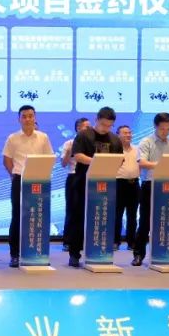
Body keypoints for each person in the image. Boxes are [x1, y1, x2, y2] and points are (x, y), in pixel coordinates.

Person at [68, 107, 122, 268]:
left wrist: (110, 163)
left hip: (105, 185)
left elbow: (119, 159)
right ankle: (74, 254)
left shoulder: (115, 139)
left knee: (103, 218)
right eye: (103, 124)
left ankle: (100, 252)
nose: (106, 128)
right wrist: (97, 162)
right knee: (78, 219)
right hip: (83, 183)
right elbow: (78, 155)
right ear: (96, 119)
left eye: (109, 126)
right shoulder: (84, 135)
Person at [2, 105, 54, 268]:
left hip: (39, 181)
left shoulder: (43, 137)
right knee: (17, 216)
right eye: (24, 116)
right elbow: (7, 160)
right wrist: (14, 175)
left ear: (35, 117)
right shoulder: (13, 138)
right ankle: (14, 255)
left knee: (38, 216)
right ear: (19, 119)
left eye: (31, 116)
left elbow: (49, 158)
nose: (28, 119)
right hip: (19, 179)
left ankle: (37, 253)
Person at [132, 112, 169, 267]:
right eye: (162, 129)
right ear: (155, 126)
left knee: (166, 220)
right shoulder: (146, 142)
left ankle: (163, 253)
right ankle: (138, 254)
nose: (165, 132)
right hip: (150, 185)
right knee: (145, 221)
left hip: (168, 185)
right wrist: (161, 165)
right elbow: (142, 162)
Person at [61, 117, 90, 251]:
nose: (90, 130)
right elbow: (63, 163)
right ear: (78, 128)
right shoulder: (69, 143)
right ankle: (68, 241)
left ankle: (83, 240)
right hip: (73, 177)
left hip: (89, 178)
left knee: (86, 210)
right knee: (72, 210)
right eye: (86, 127)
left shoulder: (92, 143)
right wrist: (69, 151)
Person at [114, 125, 140, 252]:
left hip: (134, 184)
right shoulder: (114, 149)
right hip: (119, 183)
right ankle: (115, 241)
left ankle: (131, 242)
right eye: (125, 133)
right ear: (117, 135)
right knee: (117, 214)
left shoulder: (137, 149)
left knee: (132, 214)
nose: (128, 135)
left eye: (129, 132)